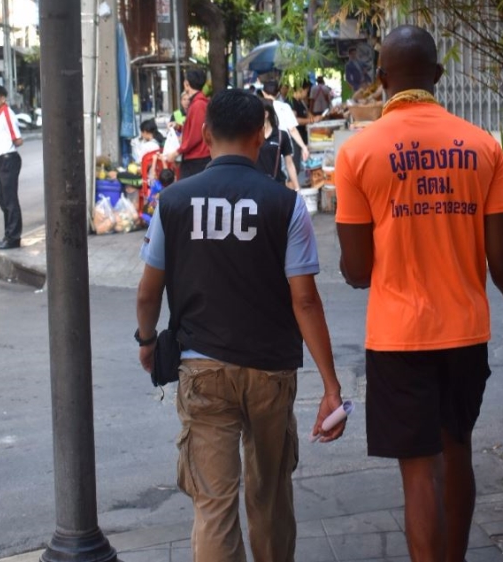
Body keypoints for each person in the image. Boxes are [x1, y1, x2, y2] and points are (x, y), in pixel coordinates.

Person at [334, 25, 503, 562]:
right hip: (464, 333)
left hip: (398, 337)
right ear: (437, 76)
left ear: (382, 80)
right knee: (458, 454)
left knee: (418, 476)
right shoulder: (482, 146)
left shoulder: (359, 153)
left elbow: (358, 271)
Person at [136, 88, 346, 562]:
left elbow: (148, 292)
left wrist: (148, 342)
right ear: (260, 135)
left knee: (213, 506)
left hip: (202, 369)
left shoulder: (173, 202)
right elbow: (306, 302)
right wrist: (331, 386)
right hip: (271, 371)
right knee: (270, 499)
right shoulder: (286, 205)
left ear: (206, 135)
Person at [0, 85, 24, 250]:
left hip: (8, 160)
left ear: (3, 99)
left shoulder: (7, 114)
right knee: (3, 199)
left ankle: (13, 238)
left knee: (10, 200)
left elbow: (18, 139)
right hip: (0, 161)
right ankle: (8, 235)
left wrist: (8, 149)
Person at [164, 69, 211, 178]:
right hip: (197, 157)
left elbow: (196, 135)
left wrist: (177, 152)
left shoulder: (198, 104)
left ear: (186, 84)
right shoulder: (198, 103)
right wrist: (178, 127)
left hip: (197, 158)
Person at [259, 80, 309, 172]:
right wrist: (303, 146)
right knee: (284, 174)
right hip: (284, 148)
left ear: (263, 93)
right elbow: (292, 129)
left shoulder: (259, 108)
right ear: (278, 93)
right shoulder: (285, 107)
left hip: (266, 150)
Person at [257, 99, 299, 189]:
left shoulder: (281, 135)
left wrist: (297, 188)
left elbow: (289, 163)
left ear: (266, 114)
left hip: (278, 184)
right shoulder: (252, 136)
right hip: (258, 186)